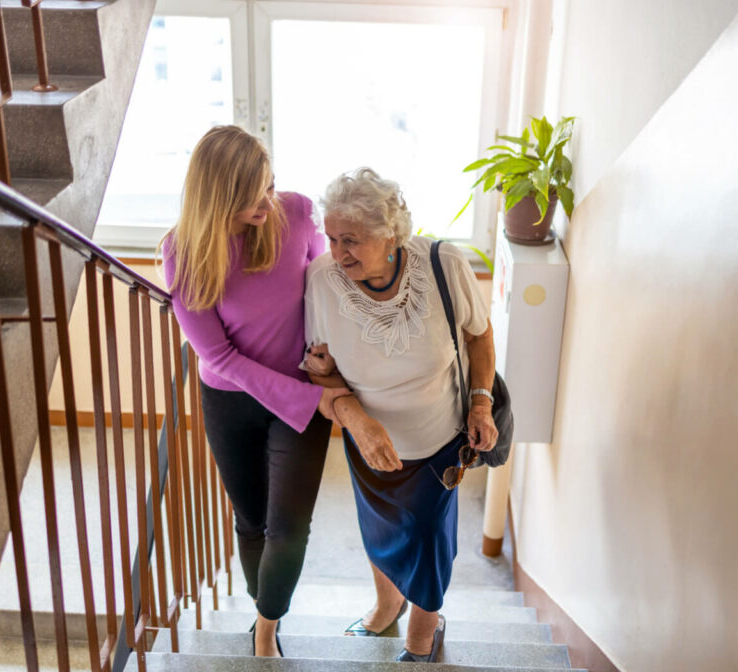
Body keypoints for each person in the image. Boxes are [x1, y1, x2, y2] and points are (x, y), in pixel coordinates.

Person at [160, 125, 349, 658]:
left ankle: (266, 628)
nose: (269, 201)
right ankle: (264, 606)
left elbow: (325, 286)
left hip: (301, 392)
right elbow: (218, 356)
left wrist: (326, 356)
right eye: (253, 196)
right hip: (232, 400)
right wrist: (310, 400)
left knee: (288, 528)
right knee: (251, 522)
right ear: (219, 196)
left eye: (270, 185)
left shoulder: (296, 212)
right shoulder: (184, 253)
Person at [302, 168, 498, 663]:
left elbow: (478, 335)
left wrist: (480, 401)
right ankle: (387, 603)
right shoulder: (322, 281)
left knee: (430, 538)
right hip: (368, 442)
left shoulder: (442, 264)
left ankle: (422, 635)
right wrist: (352, 415)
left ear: (390, 235)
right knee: (381, 530)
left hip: (440, 442)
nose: (338, 251)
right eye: (331, 237)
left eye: (352, 239)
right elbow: (320, 369)